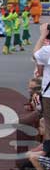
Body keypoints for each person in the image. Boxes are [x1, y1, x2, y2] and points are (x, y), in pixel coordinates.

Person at [34, 26, 50, 159]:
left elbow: (36, 56)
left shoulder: (47, 50)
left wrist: (42, 35)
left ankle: (46, 152)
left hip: (49, 94)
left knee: (48, 124)